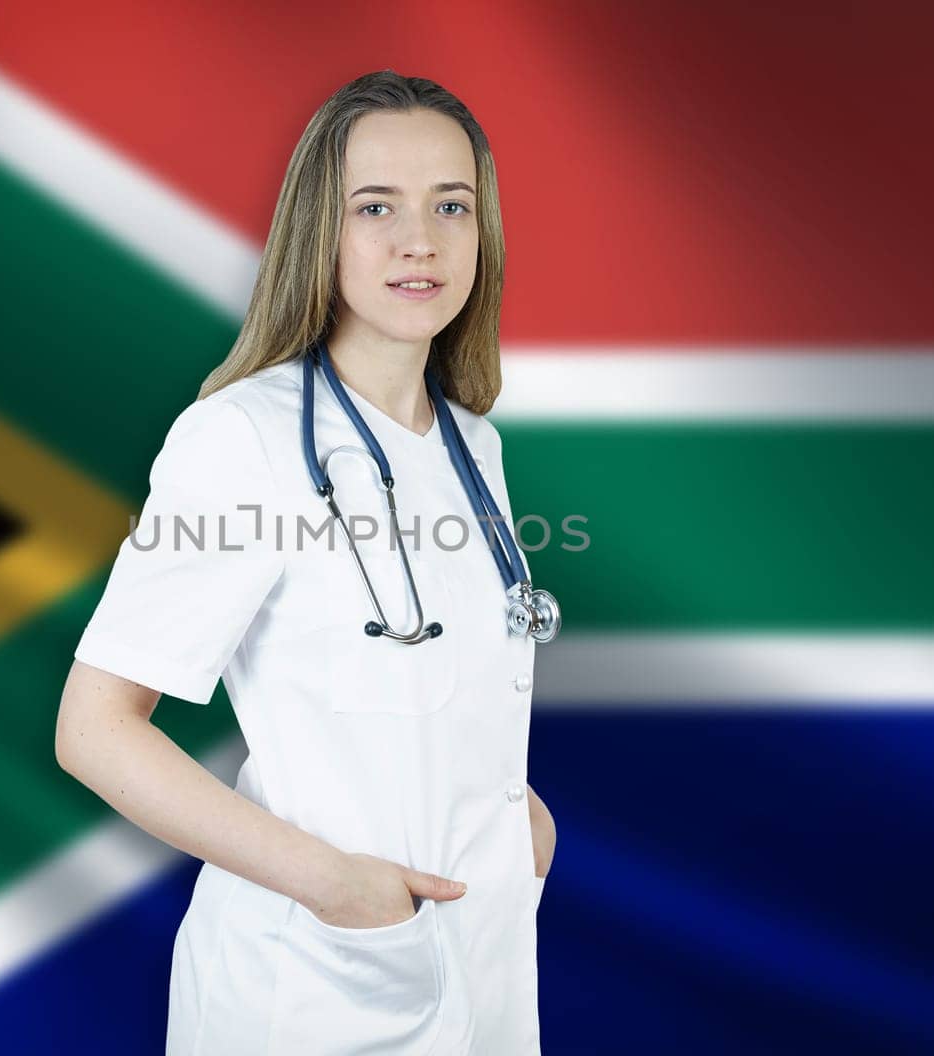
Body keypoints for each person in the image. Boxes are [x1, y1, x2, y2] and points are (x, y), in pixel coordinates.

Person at [55, 69, 557, 1055]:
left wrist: (519, 821)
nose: (420, 239)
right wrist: (334, 884)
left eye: (450, 206)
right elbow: (95, 730)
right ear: (318, 230)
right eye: (377, 207)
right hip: (316, 981)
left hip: (485, 966)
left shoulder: (472, 444)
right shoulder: (238, 438)